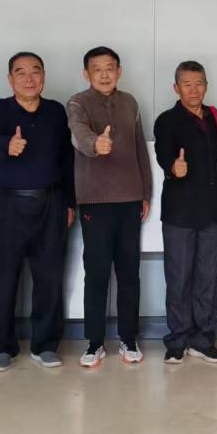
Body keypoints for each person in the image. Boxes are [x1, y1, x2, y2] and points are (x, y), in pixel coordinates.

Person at [0, 52, 76, 372]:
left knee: (49, 277)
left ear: (43, 76)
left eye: (35, 71)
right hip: (8, 204)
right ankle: (1, 347)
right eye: (20, 72)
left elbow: (67, 159)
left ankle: (45, 345)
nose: (28, 78)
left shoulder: (55, 111)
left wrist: (70, 202)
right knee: (3, 276)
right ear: (10, 79)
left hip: (51, 203)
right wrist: (7, 145)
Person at [67, 47, 153, 367]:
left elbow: (140, 149)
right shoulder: (78, 102)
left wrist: (145, 192)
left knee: (129, 273)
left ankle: (129, 338)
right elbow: (79, 133)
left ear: (119, 71)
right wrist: (96, 144)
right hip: (95, 201)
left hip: (130, 200)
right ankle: (94, 343)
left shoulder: (130, 102)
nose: (104, 74)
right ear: (86, 73)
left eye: (110, 68)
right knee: (97, 273)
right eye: (97, 69)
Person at [154, 61, 217, 364]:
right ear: (176, 88)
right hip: (180, 214)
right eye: (187, 84)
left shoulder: (215, 116)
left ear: (206, 85)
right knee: (179, 279)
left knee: (206, 279)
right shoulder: (166, 120)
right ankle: (177, 340)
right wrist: (174, 167)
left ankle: (203, 339)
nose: (194, 89)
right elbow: (163, 156)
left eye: (199, 83)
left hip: (213, 212)